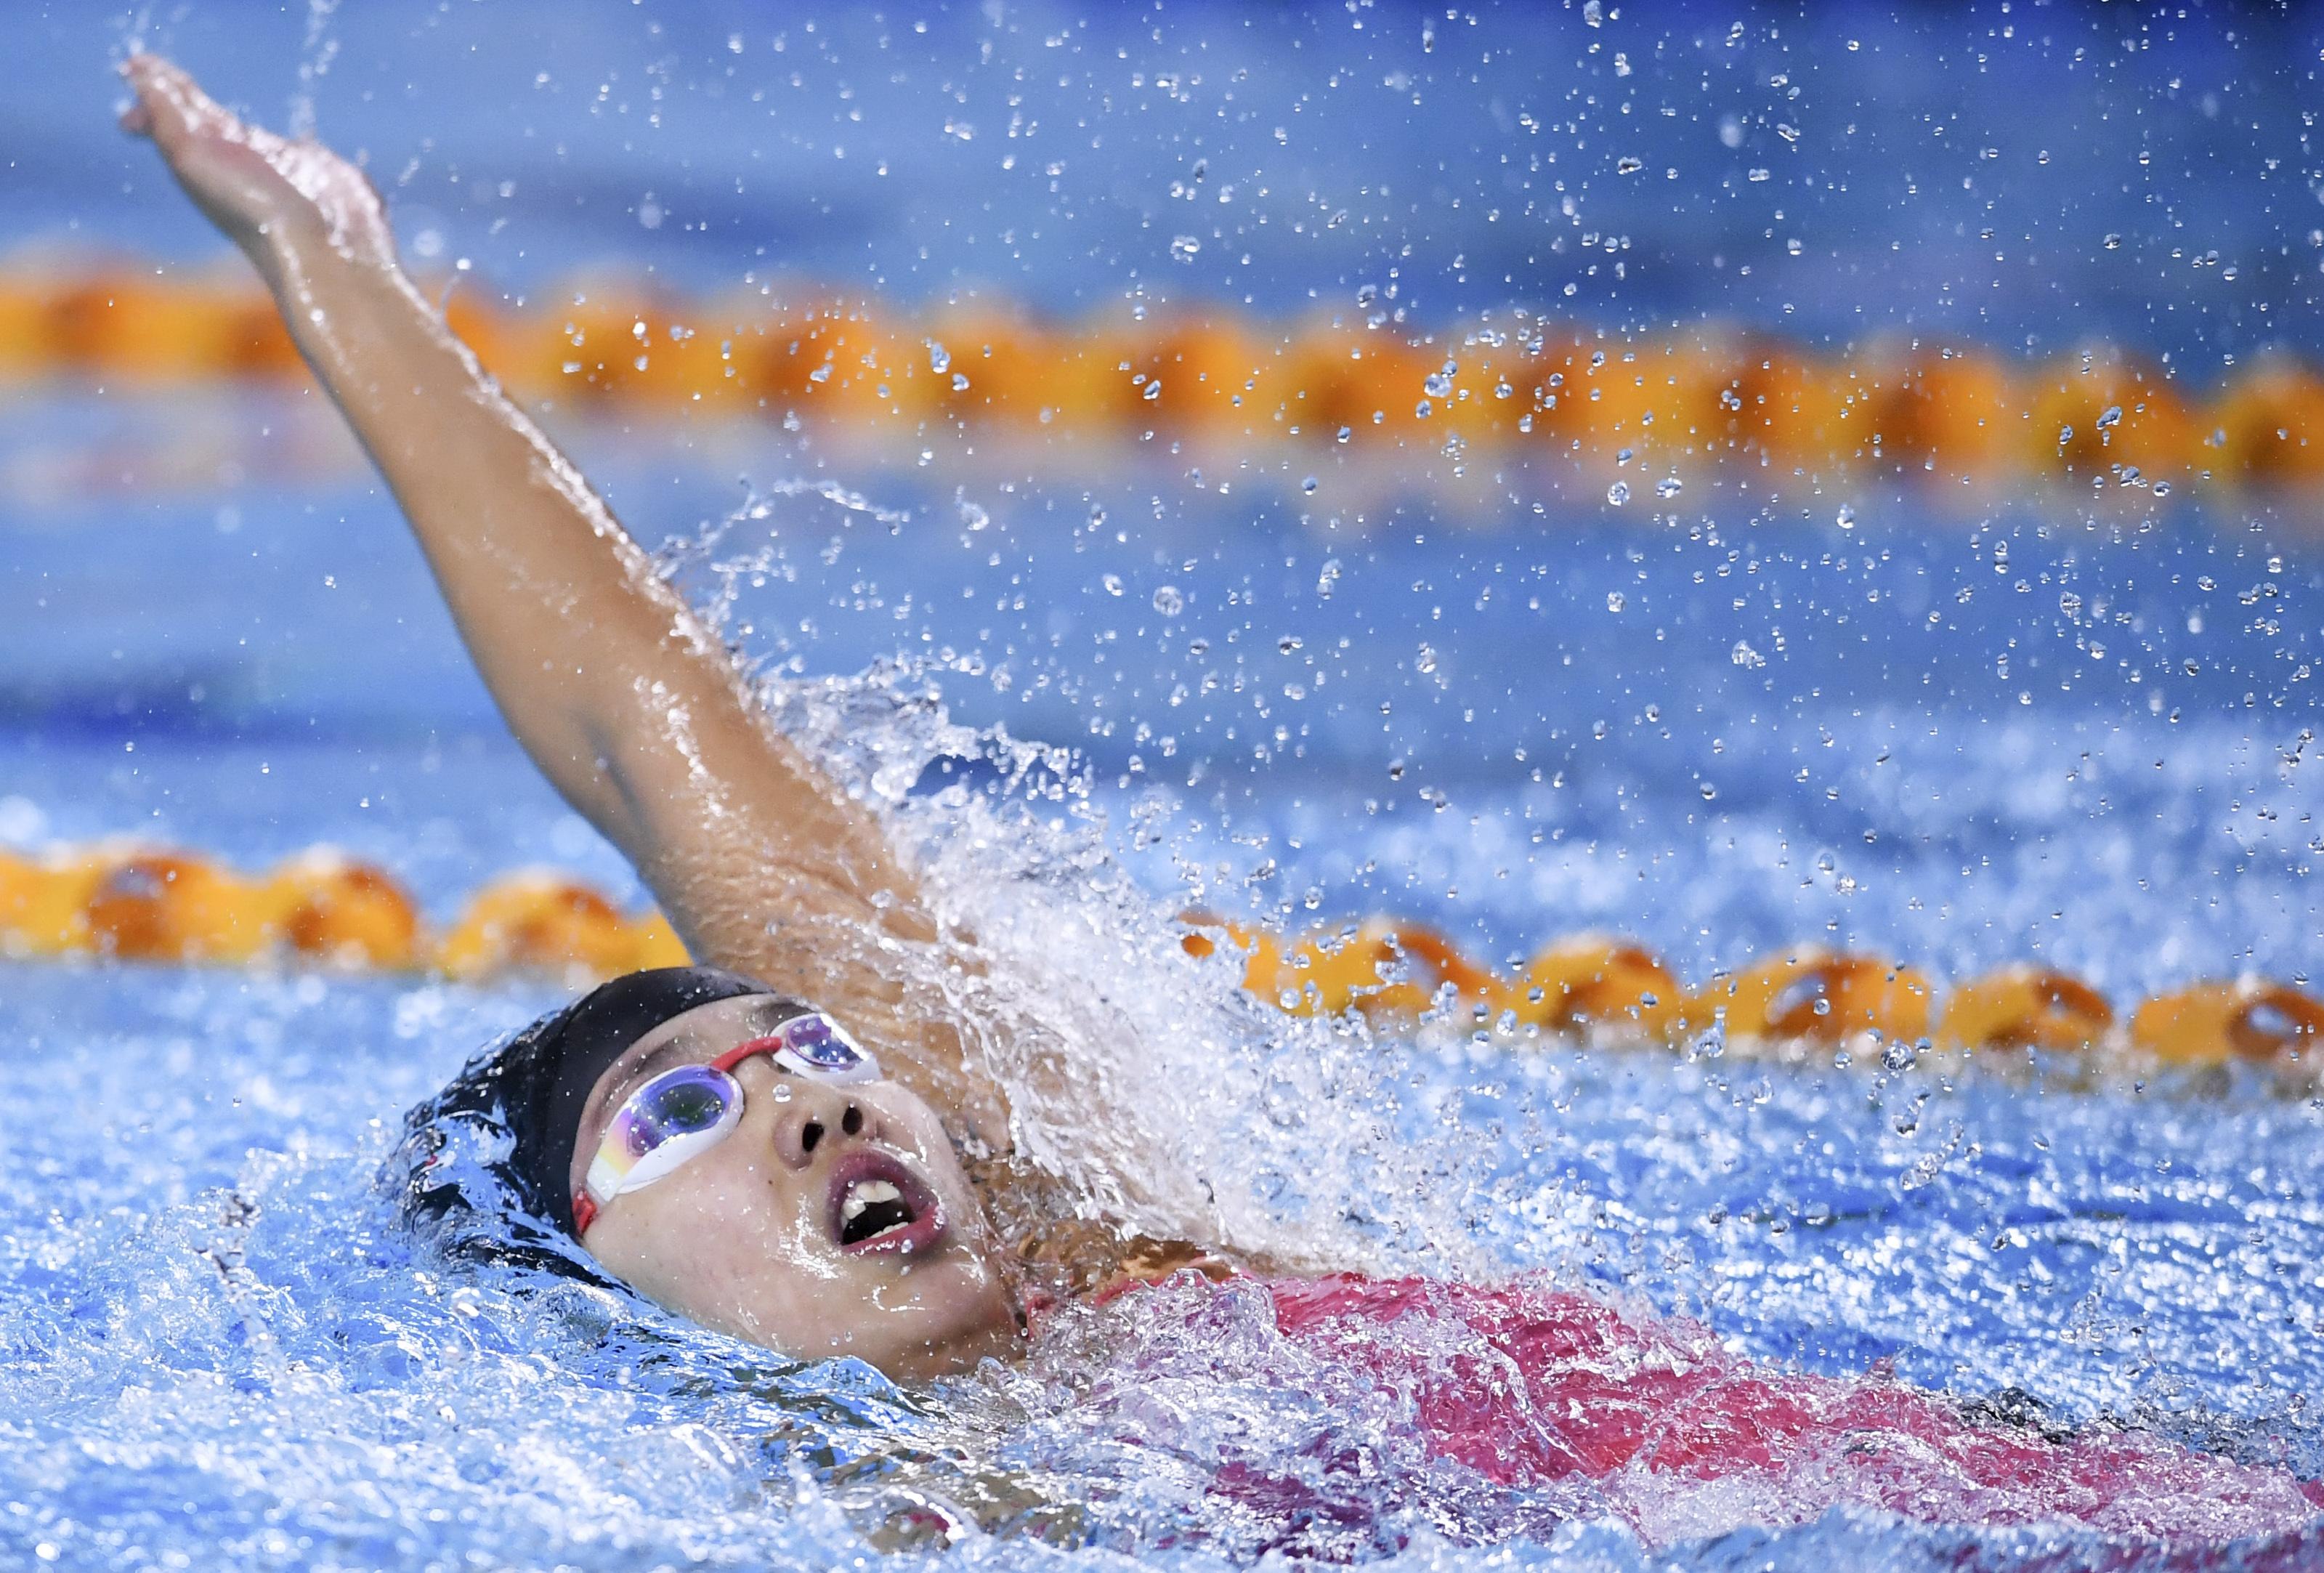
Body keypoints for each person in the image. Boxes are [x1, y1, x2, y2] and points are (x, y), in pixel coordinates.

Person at [120, 55, 2324, 1542]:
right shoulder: (906, 1520)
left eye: (795, 1049)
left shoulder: (1082, 1223)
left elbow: (646, 732)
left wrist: (338, 273)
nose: (799, 1095)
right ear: (604, 1311)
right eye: (677, 1125)